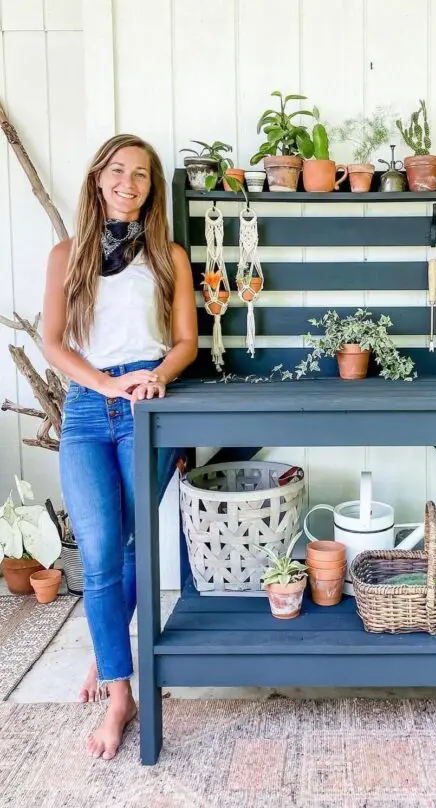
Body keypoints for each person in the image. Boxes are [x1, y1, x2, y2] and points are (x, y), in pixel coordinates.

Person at [43, 134, 198, 760]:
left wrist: (157, 376)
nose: (127, 182)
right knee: (102, 553)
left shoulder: (169, 255)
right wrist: (104, 384)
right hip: (86, 407)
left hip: (146, 404)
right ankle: (117, 681)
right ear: (97, 178)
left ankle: (112, 673)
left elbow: (185, 340)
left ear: (151, 188)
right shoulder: (67, 255)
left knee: (130, 545)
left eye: (140, 174)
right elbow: (55, 344)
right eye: (117, 170)